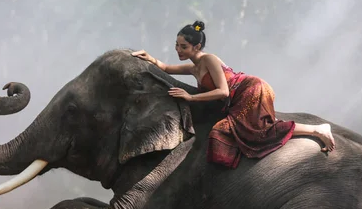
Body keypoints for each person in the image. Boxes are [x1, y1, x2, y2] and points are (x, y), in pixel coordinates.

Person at [132, 20, 335, 169]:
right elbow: (165, 67)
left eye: (183, 46)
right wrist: (149, 58)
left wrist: (190, 97)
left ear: (197, 47)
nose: (178, 50)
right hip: (239, 97)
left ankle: (318, 130)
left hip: (251, 90)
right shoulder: (194, 68)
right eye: (176, 45)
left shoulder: (209, 60)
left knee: (256, 131)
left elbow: (222, 91)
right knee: (226, 131)